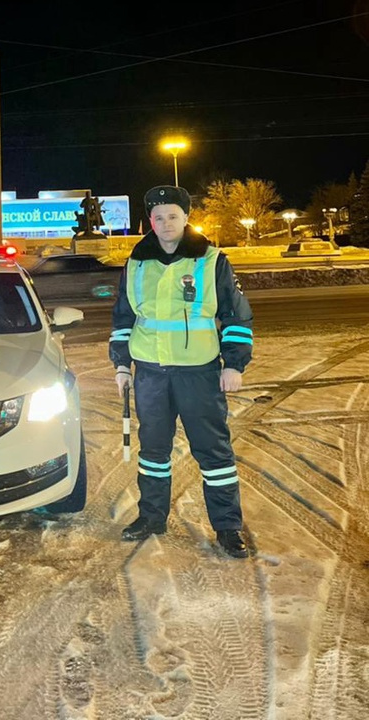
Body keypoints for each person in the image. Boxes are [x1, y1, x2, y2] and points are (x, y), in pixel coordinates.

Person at [109, 184, 254, 559]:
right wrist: (122, 363)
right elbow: (124, 317)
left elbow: (235, 316)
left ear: (186, 218)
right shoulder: (137, 263)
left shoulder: (211, 260)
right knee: (153, 452)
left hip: (199, 374)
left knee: (213, 453)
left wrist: (234, 364)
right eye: (158, 217)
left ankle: (227, 527)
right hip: (151, 374)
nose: (165, 223)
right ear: (150, 222)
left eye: (172, 215)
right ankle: (152, 518)